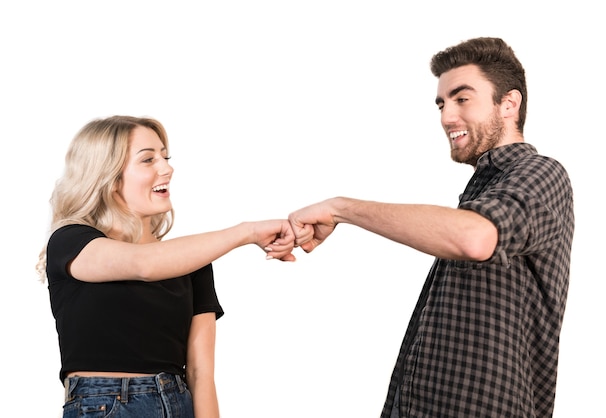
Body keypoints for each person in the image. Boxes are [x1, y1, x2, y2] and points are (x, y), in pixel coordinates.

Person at [288, 37, 574, 417]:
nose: (446, 117)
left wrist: (341, 209)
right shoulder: (482, 191)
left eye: (462, 99)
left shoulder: (541, 173)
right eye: (442, 104)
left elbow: (475, 238)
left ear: (509, 103)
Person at [36, 115, 296, 418]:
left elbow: (201, 375)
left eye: (165, 157)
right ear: (108, 175)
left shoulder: (191, 261)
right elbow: (142, 265)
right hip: (108, 405)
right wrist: (246, 232)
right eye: (148, 160)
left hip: (178, 403)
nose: (167, 168)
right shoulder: (71, 242)